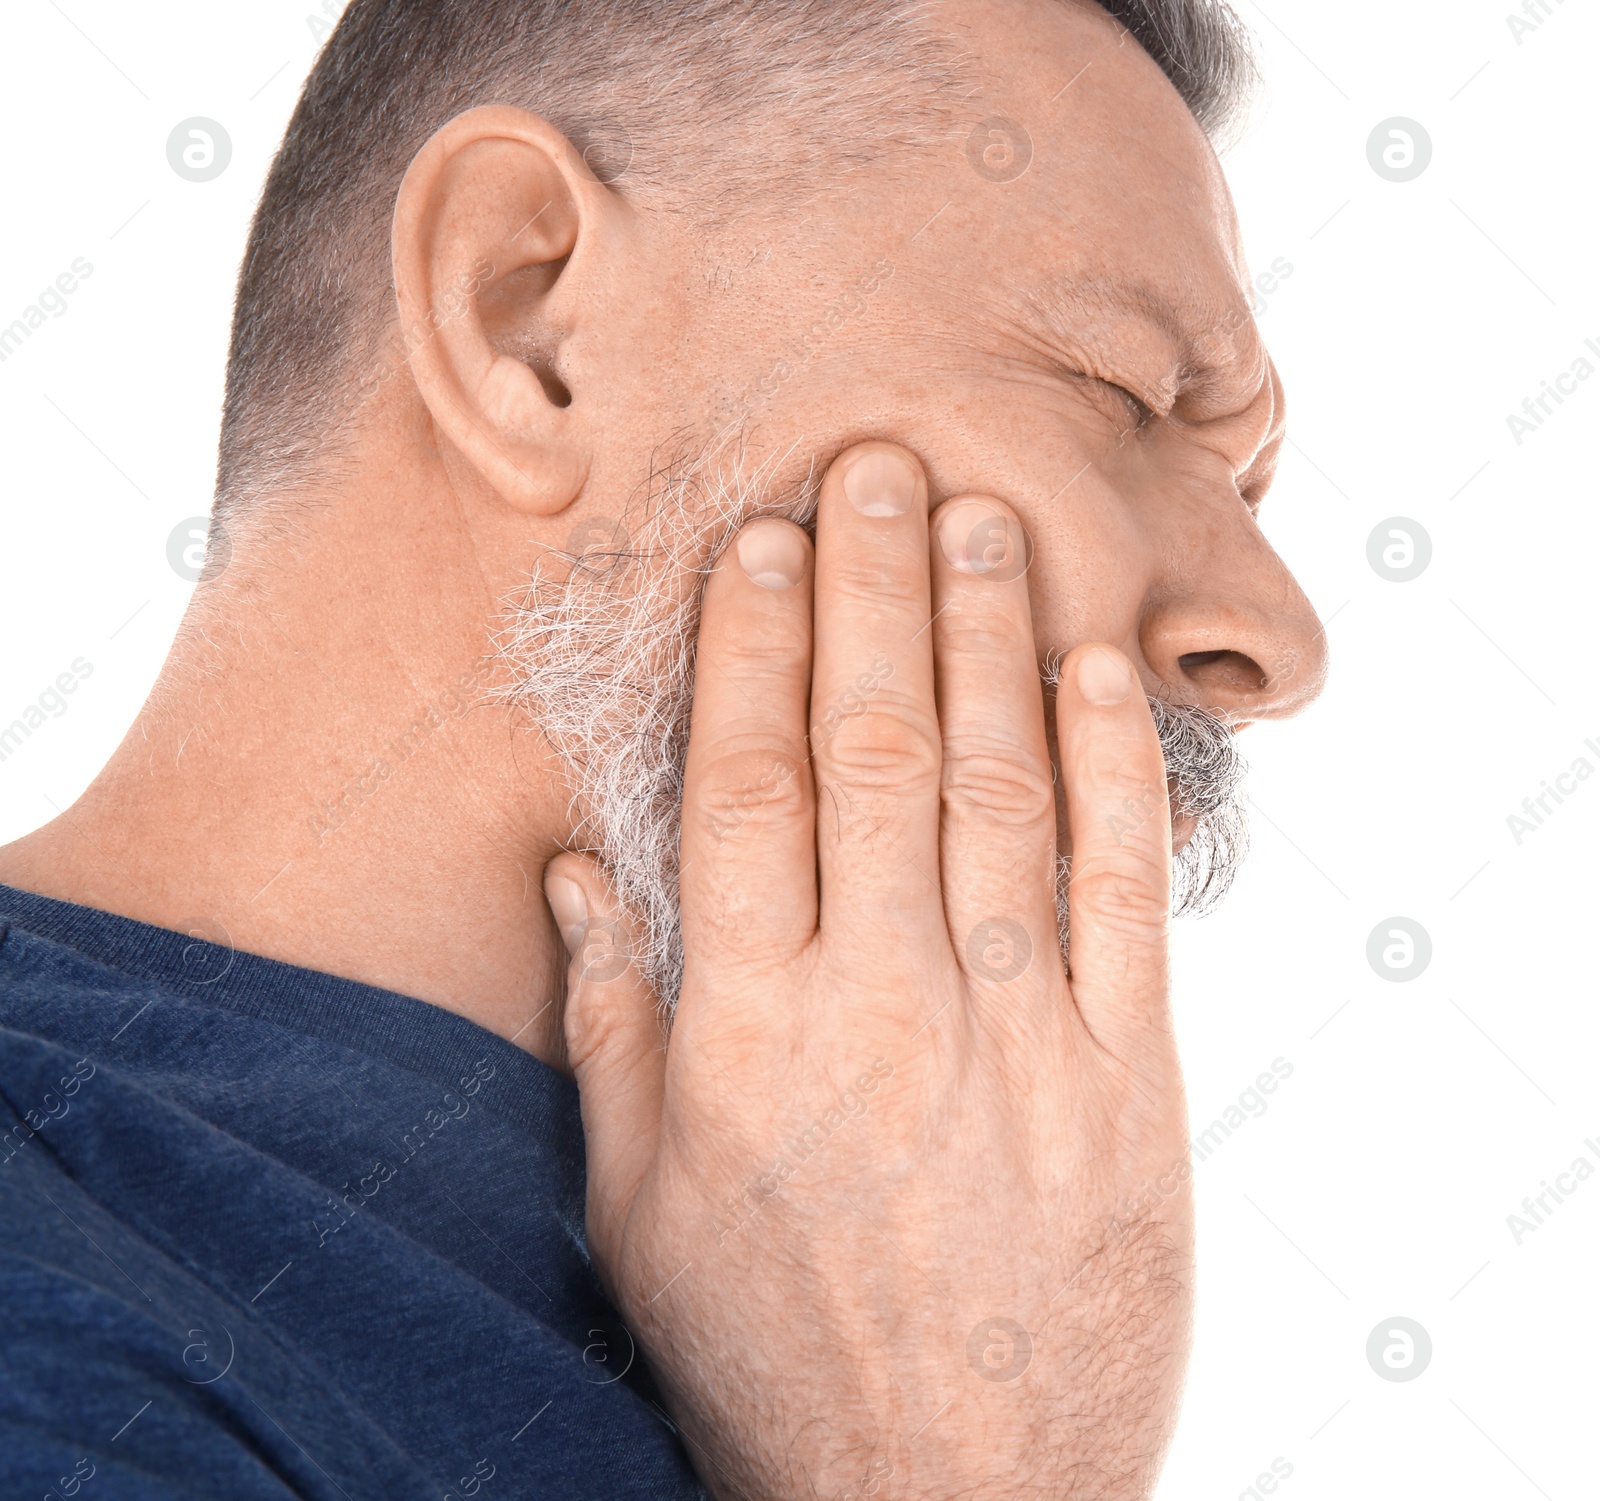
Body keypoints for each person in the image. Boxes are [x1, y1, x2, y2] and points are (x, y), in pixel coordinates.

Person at [0, 0, 1328, 1495]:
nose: (1278, 639)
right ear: (526, 320)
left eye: (1251, 490)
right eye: (1127, 396)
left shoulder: (861, 1290)